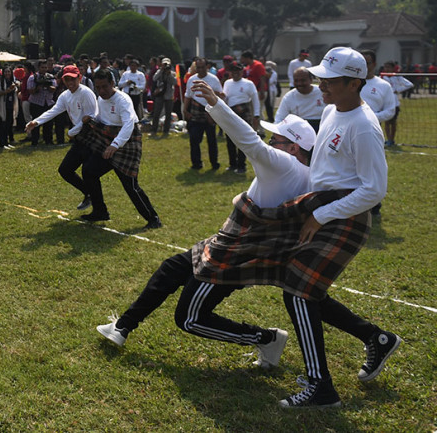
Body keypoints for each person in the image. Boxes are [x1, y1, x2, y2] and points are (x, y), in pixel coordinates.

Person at [98, 81, 317, 369]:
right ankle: (123, 327)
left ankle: (267, 338)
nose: (271, 142)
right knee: (172, 267)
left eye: (276, 139)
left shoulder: (286, 165)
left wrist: (215, 104)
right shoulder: (305, 172)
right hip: (232, 242)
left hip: (237, 253)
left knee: (190, 318)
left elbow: (249, 140)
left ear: (294, 146)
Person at [274, 47, 398, 408]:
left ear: (354, 82)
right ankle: (376, 339)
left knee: (298, 291)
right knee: (304, 289)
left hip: (346, 218)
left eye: (329, 80)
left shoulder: (364, 126)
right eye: (320, 77)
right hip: (323, 210)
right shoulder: (330, 110)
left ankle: (321, 388)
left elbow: (374, 190)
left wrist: (322, 215)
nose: (321, 85)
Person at [76, 69, 162, 229]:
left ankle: (153, 219)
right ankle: (100, 211)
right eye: (98, 87)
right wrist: (92, 120)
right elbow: (104, 119)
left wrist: (115, 145)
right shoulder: (100, 99)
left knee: (130, 184)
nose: (101, 91)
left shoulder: (123, 100)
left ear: (113, 84)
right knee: (89, 171)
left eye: (105, 87)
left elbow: (129, 123)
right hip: (108, 141)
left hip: (127, 142)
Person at [24, 65, 99, 211]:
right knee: (65, 170)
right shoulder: (65, 95)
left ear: (80, 78)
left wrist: (72, 131)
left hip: (91, 137)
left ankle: (98, 208)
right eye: (67, 79)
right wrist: (36, 122)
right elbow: (55, 110)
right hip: (78, 137)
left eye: (73, 79)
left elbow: (92, 116)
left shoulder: (86, 93)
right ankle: (89, 194)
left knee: (89, 173)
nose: (70, 82)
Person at [183, 57, 222, 171]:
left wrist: (214, 113)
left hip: (210, 111)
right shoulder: (191, 79)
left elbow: (219, 96)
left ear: (207, 67)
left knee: (211, 140)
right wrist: (185, 110)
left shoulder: (213, 79)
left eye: (202, 67)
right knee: (194, 139)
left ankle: (214, 163)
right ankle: (196, 164)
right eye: (198, 67)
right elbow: (188, 96)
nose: (200, 70)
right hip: (195, 112)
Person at [222, 62, 260, 174]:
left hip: (244, 112)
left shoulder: (248, 84)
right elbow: (225, 98)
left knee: (242, 139)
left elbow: (255, 100)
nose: (236, 74)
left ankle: (241, 165)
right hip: (230, 112)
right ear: (230, 72)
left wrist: (256, 115)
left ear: (242, 72)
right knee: (230, 139)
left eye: (238, 71)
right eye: (233, 71)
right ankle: (232, 164)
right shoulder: (228, 83)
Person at [275, 67, 324, 131]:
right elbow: (279, 119)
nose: (299, 84)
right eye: (296, 81)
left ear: (311, 80)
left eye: (303, 80)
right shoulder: (289, 97)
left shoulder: (322, 92)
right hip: (299, 131)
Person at [26, 61, 57, 146]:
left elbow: (54, 88)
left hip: (48, 103)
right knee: (35, 123)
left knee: (49, 123)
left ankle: (48, 140)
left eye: (45, 67)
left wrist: (47, 85)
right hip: (36, 103)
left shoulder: (50, 77)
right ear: (38, 68)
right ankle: (34, 141)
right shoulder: (33, 77)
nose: (44, 69)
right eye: (42, 67)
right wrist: (38, 87)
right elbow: (30, 91)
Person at [149, 57, 175, 137]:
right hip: (159, 95)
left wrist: (169, 74)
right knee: (156, 113)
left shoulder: (172, 73)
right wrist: (161, 70)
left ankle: (166, 131)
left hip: (168, 95)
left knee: (168, 114)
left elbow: (175, 82)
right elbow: (154, 78)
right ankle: (154, 130)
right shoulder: (159, 71)